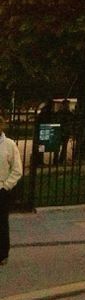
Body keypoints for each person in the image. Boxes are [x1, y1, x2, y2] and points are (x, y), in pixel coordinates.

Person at [0, 114, 24, 266]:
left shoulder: (9, 145)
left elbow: (17, 169)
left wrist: (6, 186)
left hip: (1, 189)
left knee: (1, 222)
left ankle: (2, 253)